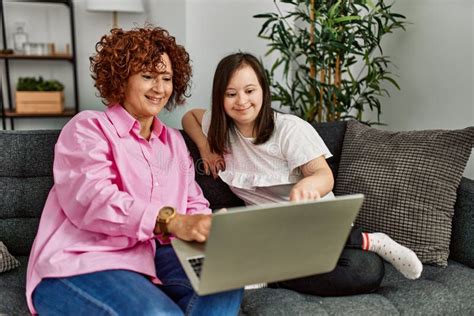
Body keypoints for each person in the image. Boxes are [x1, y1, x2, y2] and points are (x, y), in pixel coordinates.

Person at [26, 26, 243, 315]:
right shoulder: (88, 129)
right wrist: (173, 221)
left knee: (227, 276)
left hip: (154, 257)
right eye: (148, 76)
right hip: (84, 260)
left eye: (166, 78)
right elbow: (94, 199)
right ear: (121, 79)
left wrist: (209, 225)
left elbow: (192, 202)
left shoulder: (174, 142)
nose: (159, 88)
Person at [182, 52, 423, 296]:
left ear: (263, 90)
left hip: (313, 225)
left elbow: (324, 176)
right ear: (220, 98)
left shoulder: (288, 129)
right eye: (231, 94)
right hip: (268, 235)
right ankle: (271, 273)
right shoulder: (220, 126)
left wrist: (308, 186)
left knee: (365, 268)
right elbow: (190, 116)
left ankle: (369, 240)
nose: (241, 101)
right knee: (362, 268)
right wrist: (205, 147)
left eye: (250, 91)